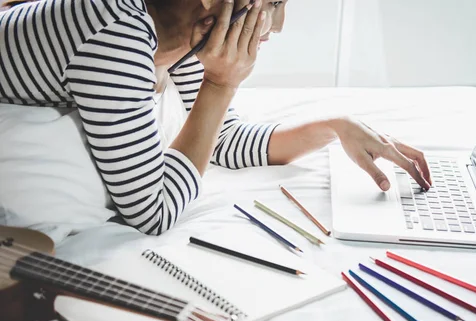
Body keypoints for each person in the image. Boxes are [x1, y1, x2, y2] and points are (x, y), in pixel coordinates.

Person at [0, 0, 432, 236]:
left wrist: (335, 127)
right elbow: (153, 212)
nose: (279, 25)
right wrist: (220, 85)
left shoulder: (177, 29)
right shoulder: (118, 33)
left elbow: (221, 139)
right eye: (276, 2)